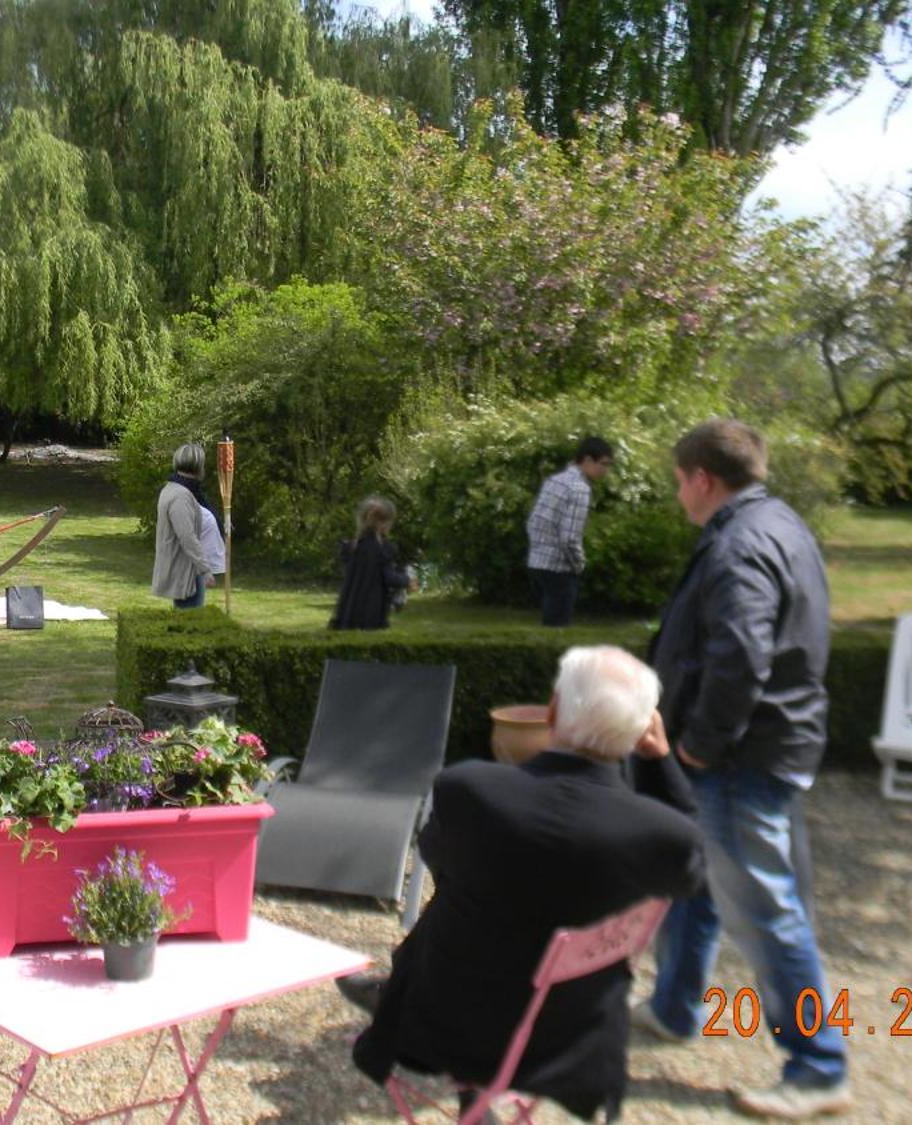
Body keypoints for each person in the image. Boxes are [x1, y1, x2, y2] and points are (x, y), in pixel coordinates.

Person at [339, 646, 705, 1122]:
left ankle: (393, 993)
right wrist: (658, 761)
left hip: (448, 1027)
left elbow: (437, 860)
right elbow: (691, 867)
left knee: (463, 892)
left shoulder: (469, 789)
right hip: (576, 1041)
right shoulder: (661, 834)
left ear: (552, 712)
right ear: (642, 731)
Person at [640, 419, 848, 1119]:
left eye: (678, 482)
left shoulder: (738, 543)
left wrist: (698, 745)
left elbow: (742, 656)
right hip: (770, 747)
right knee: (694, 884)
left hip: (740, 757)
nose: (678, 495)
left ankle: (819, 1065)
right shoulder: (780, 522)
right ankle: (674, 1006)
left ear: (702, 478)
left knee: (766, 909)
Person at [525, 436, 613, 627]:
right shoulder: (580, 489)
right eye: (604, 464)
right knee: (558, 632)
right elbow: (569, 538)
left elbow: (533, 522)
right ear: (588, 460)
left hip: (537, 563)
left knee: (547, 629)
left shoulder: (554, 481)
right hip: (559, 568)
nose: (605, 470)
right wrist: (579, 564)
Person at [329, 496, 411, 630]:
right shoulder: (384, 549)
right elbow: (388, 577)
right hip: (372, 609)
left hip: (349, 607)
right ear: (383, 523)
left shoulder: (352, 547)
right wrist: (407, 580)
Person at [152, 443, 214, 609]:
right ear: (197, 466)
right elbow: (187, 536)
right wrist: (205, 569)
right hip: (185, 572)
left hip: (184, 569)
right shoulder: (180, 495)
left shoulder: (174, 489)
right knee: (190, 620)